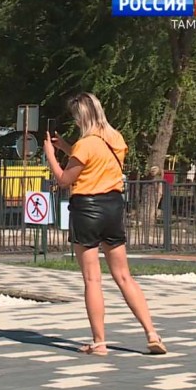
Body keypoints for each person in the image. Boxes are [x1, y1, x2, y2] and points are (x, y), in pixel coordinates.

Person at [44, 92, 167, 356]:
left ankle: (99, 342)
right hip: (113, 208)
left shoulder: (85, 143)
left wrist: (51, 155)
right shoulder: (116, 139)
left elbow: (65, 179)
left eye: (76, 118)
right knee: (124, 276)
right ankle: (152, 333)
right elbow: (95, 162)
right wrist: (66, 146)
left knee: (92, 279)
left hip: (87, 209)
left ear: (82, 116)